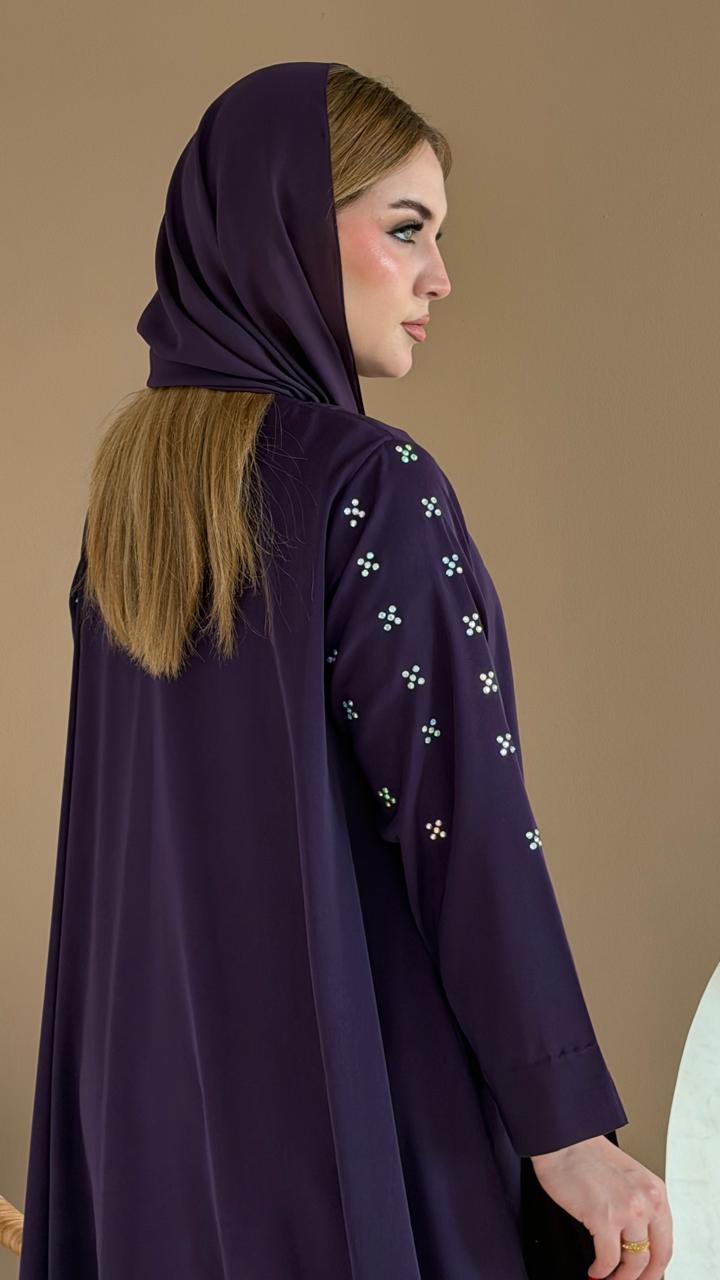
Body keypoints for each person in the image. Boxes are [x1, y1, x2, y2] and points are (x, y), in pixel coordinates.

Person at [17, 61, 672, 1279]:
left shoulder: (134, 507)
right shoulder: (371, 483)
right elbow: (463, 825)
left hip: (156, 1154)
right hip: (355, 1125)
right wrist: (568, 1126)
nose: (441, 277)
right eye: (406, 228)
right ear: (285, 230)